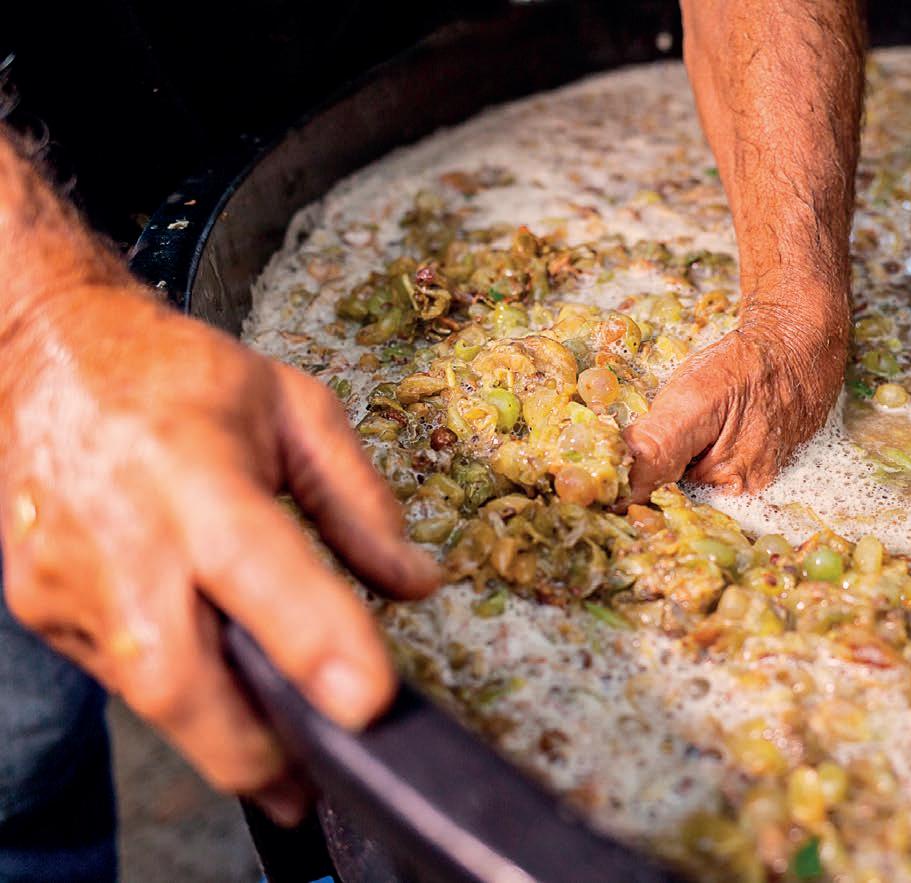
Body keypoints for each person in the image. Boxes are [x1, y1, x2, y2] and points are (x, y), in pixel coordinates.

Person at [0, 0, 863, 878]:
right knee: (20, 749)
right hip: (48, 167)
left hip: (402, 61)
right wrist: (37, 328)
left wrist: (796, 306)